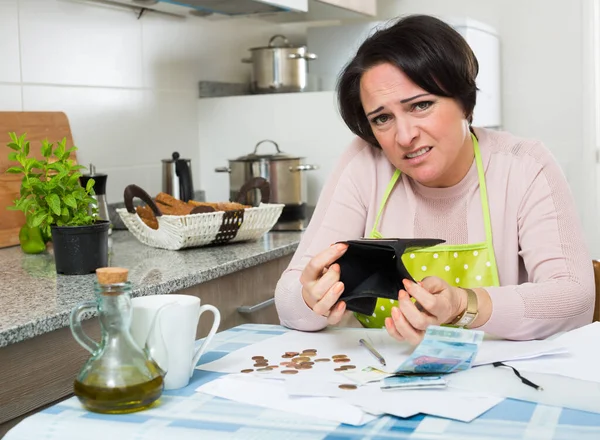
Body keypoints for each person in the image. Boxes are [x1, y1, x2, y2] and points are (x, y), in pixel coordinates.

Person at [274, 14, 595, 345]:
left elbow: (576, 298)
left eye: (421, 105)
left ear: (464, 102)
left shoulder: (524, 166)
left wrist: (464, 305)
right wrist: (310, 300)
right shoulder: (364, 164)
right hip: (379, 378)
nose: (404, 135)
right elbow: (288, 297)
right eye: (382, 118)